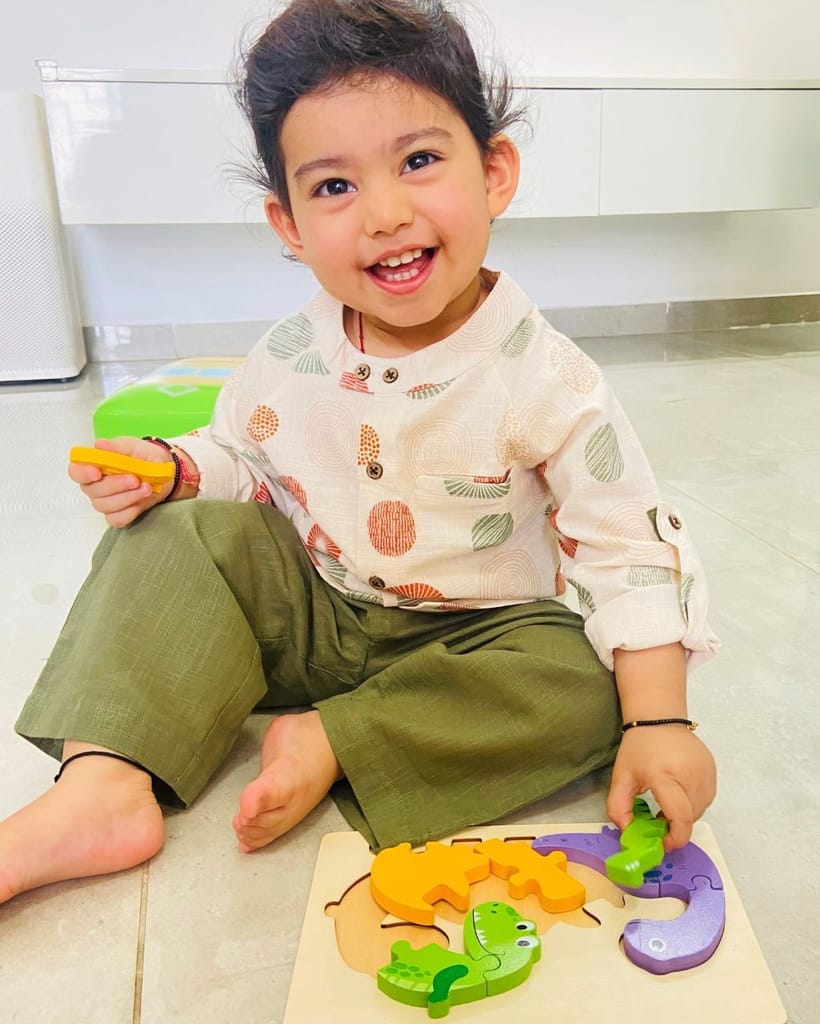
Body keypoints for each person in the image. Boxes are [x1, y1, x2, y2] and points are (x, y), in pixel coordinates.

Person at [0, 0, 718, 907]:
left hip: (478, 642)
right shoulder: (292, 354)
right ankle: (102, 782)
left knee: (587, 680)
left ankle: (336, 738)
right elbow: (243, 461)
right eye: (334, 186)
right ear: (289, 224)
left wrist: (658, 720)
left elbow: (627, 551)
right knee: (173, 534)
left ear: (494, 172)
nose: (384, 213)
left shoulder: (549, 381)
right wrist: (177, 470)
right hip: (319, 610)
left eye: (419, 161)